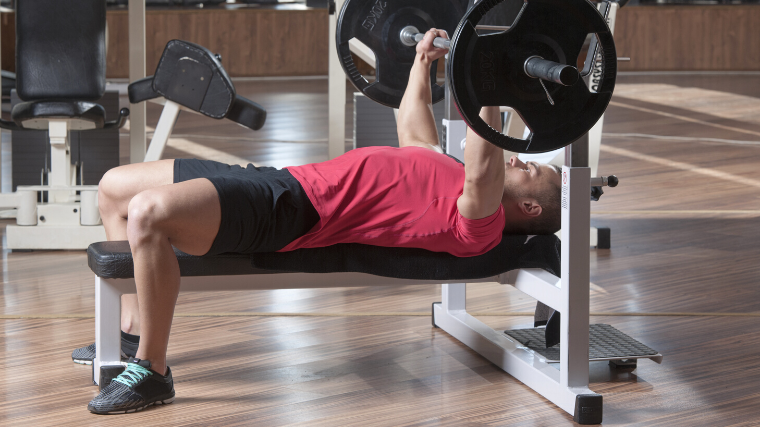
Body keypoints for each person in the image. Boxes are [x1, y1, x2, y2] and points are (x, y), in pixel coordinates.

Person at [84, 29, 562, 414]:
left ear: (532, 210)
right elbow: (413, 127)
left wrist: (492, 82)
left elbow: (485, 166)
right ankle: (131, 336)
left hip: (293, 214)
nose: (523, 162)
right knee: (113, 190)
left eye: (533, 170)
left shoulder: (480, 223)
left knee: (148, 213)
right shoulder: (447, 172)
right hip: (280, 180)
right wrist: (422, 63)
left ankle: (152, 369)